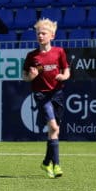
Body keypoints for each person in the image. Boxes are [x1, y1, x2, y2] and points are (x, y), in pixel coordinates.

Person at [22, 18, 70, 179]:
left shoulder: (59, 52)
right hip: (41, 95)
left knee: (54, 131)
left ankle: (46, 162)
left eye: (43, 33)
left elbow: (67, 70)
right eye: (38, 33)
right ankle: (56, 165)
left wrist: (63, 76)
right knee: (54, 128)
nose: (40, 36)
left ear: (52, 36)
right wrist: (31, 76)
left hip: (57, 94)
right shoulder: (32, 56)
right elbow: (25, 77)